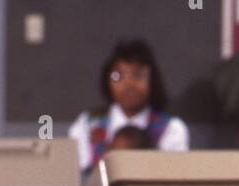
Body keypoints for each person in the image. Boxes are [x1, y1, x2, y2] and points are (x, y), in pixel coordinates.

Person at [68, 39, 190, 176]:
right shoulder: (87, 124)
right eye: (117, 76)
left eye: (138, 75)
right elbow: (79, 177)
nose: (128, 85)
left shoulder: (171, 129)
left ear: (152, 80)